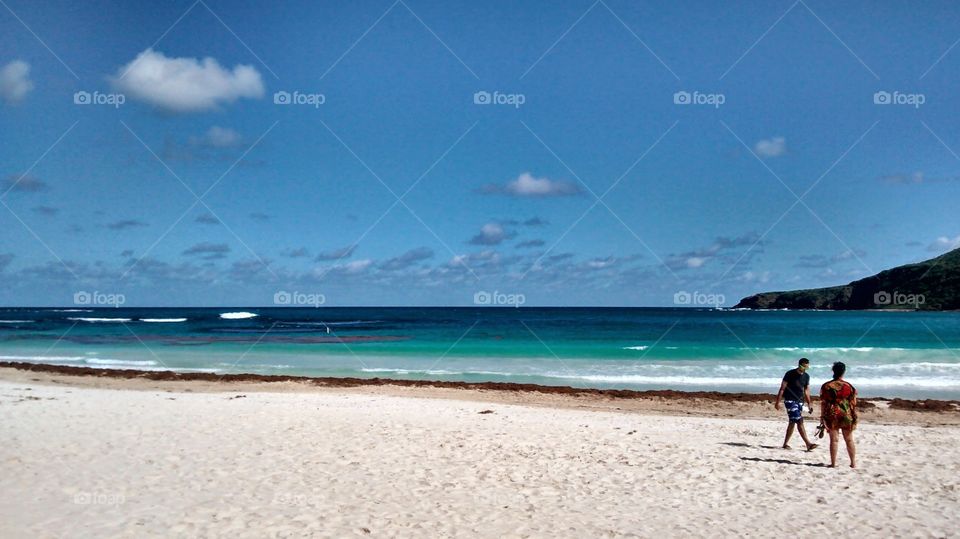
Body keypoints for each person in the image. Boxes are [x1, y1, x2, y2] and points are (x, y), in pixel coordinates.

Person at [820, 361, 858, 468]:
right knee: (849, 439)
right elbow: (853, 402)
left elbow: (823, 402)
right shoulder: (849, 386)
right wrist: (853, 414)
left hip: (832, 414)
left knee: (834, 440)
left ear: (833, 371)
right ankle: (853, 463)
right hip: (846, 414)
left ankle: (833, 463)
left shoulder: (826, 386)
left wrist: (822, 416)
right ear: (844, 372)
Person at [774, 358, 818, 451]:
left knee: (792, 422)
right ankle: (808, 444)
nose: (805, 369)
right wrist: (777, 402)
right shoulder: (790, 374)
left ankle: (785, 444)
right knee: (799, 421)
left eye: (807, 367)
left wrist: (809, 403)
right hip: (790, 401)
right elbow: (782, 388)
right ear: (799, 365)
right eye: (803, 366)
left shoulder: (806, 376)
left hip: (800, 401)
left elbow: (806, 390)